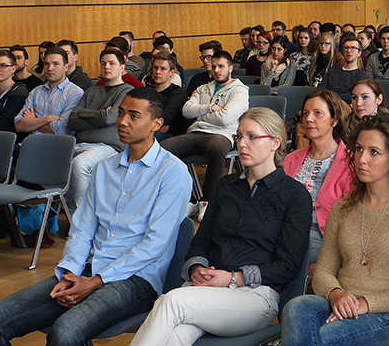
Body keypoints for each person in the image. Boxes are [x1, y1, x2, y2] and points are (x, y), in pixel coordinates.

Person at [0, 88, 192, 346]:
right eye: (121, 113)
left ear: (157, 124)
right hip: (85, 269)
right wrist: (70, 272)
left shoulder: (173, 173)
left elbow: (155, 244)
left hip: (135, 279)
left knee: (65, 332)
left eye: (134, 116)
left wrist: (96, 281)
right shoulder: (104, 168)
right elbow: (82, 230)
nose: (122, 121)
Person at [129, 107, 312, 345]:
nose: (242, 144)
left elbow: (288, 266)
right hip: (207, 287)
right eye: (239, 136)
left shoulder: (294, 195)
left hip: (255, 296)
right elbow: (201, 241)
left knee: (171, 302)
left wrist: (232, 278)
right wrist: (197, 269)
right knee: (174, 337)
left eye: (252, 137)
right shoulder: (226, 186)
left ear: (275, 143)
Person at [281, 112, 389, 346]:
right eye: (358, 149)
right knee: (296, 307)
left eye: (374, 152)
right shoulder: (343, 208)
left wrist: (365, 303)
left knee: (322, 339)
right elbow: (324, 271)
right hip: (339, 303)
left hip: (388, 315)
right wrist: (336, 294)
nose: (361, 159)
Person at [161, 50, 248, 200]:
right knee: (161, 151)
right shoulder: (203, 88)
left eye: (221, 66)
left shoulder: (239, 91)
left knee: (217, 148)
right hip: (196, 132)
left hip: (222, 134)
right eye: (214, 66)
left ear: (231, 68)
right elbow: (187, 111)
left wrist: (200, 113)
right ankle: (188, 200)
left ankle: (207, 201)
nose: (216, 70)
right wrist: (210, 108)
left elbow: (225, 118)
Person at [284, 90, 353, 264]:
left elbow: (350, 219)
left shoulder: (350, 162)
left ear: (334, 120)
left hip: (320, 235)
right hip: (285, 227)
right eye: (305, 113)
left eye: (318, 113)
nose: (308, 119)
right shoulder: (292, 159)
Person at [65, 48, 134, 213]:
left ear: (122, 68)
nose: (107, 67)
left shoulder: (127, 91)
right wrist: (100, 115)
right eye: (103, 63)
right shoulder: (91, 90)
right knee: (53, 158)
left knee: (79, 165)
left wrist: (86, 113)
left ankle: (79, 219)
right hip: (81, 144)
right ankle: (54, 216)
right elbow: (72, 121)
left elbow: (109, 118)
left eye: (112, 63)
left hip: (109, 147)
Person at [14, 47, 84, 136]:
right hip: (31, 144)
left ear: (65, 67)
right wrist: (48, 119)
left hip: (57, 145)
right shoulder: (36, 91)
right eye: (46, 64)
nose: (50, 68)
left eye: (56, 64)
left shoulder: (75, 93)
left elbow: (62, 129)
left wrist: (34, 120)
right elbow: (18, 125)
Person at [146, 51, 188, 141]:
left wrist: (150, 127)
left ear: (171, 72)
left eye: (163, 69)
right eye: (155, 68)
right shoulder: (148, 92)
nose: (157, 72)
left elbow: (166, 117)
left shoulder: (178, 92)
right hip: (152, 131)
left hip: (172, 136)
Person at [319, 36, 369, 103]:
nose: (349, 51)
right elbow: (321, 91)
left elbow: (354, 95)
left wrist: (332, 99)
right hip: (327, 105)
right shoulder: (331, 73)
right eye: (346, 48)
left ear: (359, 53)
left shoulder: (363, 76)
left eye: (353, 48)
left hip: (345, 107)